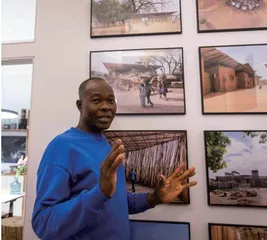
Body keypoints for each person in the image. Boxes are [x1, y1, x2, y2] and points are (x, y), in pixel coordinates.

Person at [31, 77, 197, 240]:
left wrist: (155, 198)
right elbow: (43, 223)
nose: (106, 107)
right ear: (80, 106)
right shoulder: (62, 147)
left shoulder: (109, 146)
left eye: (111, 101)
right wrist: (99, 192)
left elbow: (116, 201)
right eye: (96, 100)